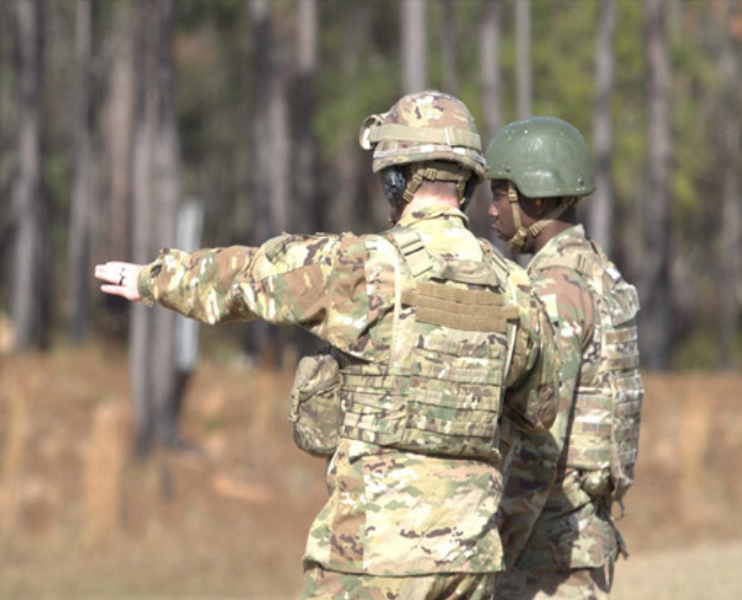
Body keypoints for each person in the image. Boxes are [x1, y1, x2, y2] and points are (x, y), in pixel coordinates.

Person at [95, 91, 558, 600]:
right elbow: (538, 412)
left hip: (370, 555)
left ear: (396, 178)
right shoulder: (515, 288)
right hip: (470, 560)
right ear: (468, 181)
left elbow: (246, 277)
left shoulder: (361, 267)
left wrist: (153, 279)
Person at [485, 116, 644, 600]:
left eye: (499, 195)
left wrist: (496, 547)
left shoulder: (555, 289)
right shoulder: (599, 272)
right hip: (578, 545)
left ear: (533, 200)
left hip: (544, 561)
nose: (490, 212)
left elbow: (540, 441)